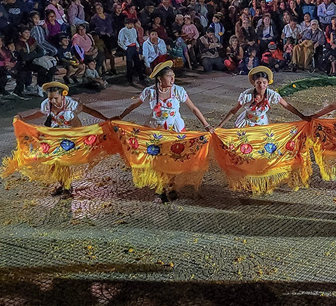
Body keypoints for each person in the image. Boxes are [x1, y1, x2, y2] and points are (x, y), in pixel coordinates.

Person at [116, 61, 214, 202]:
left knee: (172, 157)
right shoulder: (150, 92)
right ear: (160, 79)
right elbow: (134, 104)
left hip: (174, 131)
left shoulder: (178, 91)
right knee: (158, 158)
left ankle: (171, 184)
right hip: (156, 130)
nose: (172, 79)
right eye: (169, 76)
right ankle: (160, 188)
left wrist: (206, 125)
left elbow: (193, 108)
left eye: (173, 76)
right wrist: (120, 117)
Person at [16, 82, 110, 198]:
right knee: (51, 162)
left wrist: (106, 119)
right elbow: (40, 113)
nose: (53, 101)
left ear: (63, 95)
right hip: (55, 135)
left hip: (71, 136)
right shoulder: (46, 104)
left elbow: (90, 111)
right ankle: (64, 184)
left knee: (61, 161)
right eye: (50, 98)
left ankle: (66, 187)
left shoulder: (72, 104)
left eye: (56, 98)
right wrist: (24, 118)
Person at [216, 66, 308, 128]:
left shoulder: (272, 95)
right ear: (254, 84)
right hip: (247, 122)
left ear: (268, 83)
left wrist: (302, 116)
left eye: (264, 83)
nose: (261, 85)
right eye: (258, 83)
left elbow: (287, 106)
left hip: (262, 122)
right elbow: (233, 110)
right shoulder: (247, 96)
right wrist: (219, 126)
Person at [118, 18, 148, 86]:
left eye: (132, 24)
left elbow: (135, 39)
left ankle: (141, 78)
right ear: (126, 24)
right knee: (129, 63)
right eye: (129, 24)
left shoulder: (134, 30)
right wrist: (125, 48)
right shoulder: (123, 31)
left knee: (138, 63)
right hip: (128, 48)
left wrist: (137, 46)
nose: (131, 25)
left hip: (134, 47)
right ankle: (129, 79)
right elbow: (120, 41)